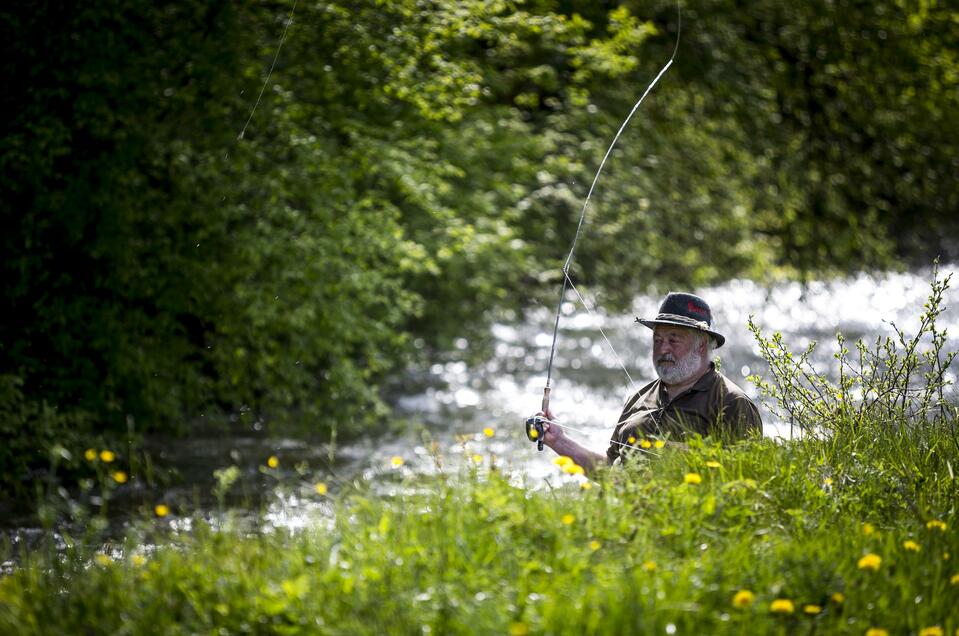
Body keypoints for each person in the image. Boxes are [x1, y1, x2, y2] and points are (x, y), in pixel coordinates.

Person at [537, 292, 762, 472]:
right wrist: (559, 441)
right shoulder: (638, 399)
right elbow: (610, 470)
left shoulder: (733, 403)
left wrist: (674, 455)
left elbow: (747, 480)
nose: (663, 349)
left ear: (702, 345)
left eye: (673, 340)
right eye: (658, 340)